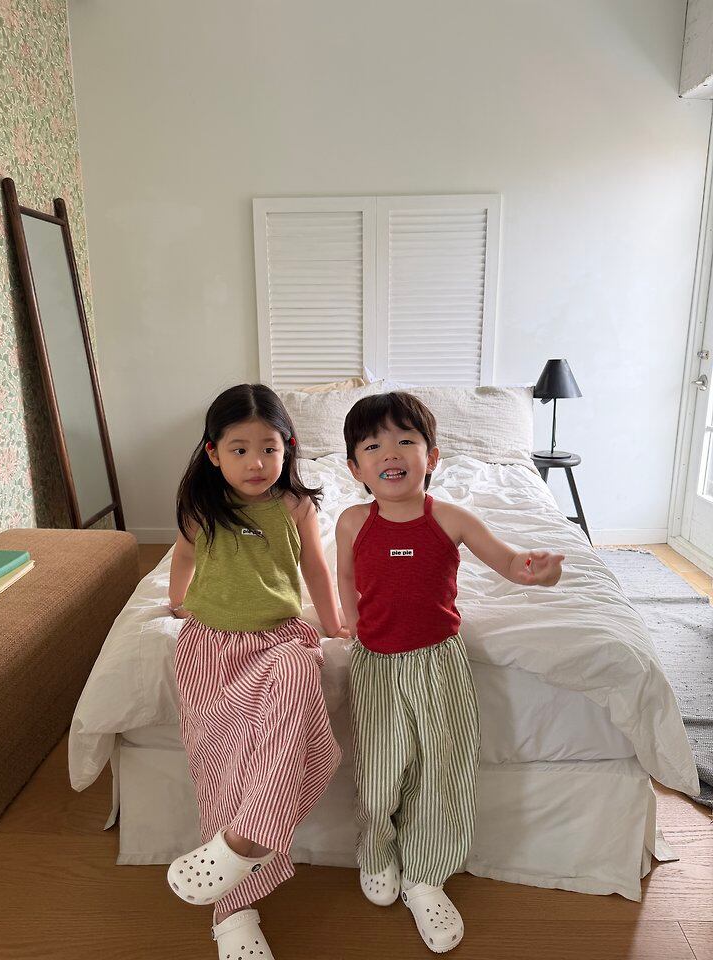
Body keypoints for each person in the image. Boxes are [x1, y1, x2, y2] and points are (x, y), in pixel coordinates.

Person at [336, 391, 564, 954]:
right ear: (356, 468)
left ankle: (425, 876)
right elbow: (346, 577)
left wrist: (536, 571)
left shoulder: (451, 518)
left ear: (431, 457)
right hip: (376, 665)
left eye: (405, 440)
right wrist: (351, 624)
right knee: (381, 770)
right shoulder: (352, 522)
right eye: (373, 445)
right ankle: (376, 851)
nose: (391, 453)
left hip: (439, 662)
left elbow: (508, 562)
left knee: (443, 770)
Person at [167, 383, 346, 960]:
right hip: (212, 648)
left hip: (279, 638)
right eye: (239, 450)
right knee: (224, 766)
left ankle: (247, 839)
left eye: (269, 448)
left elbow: (316, 568)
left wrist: (334, 625)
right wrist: (176, 601)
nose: (256, 463)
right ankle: (233, 913)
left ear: (287, 448)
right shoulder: (203, 506)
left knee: (299, 667)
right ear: (213, 453)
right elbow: (184, 556)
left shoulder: (295, 506)